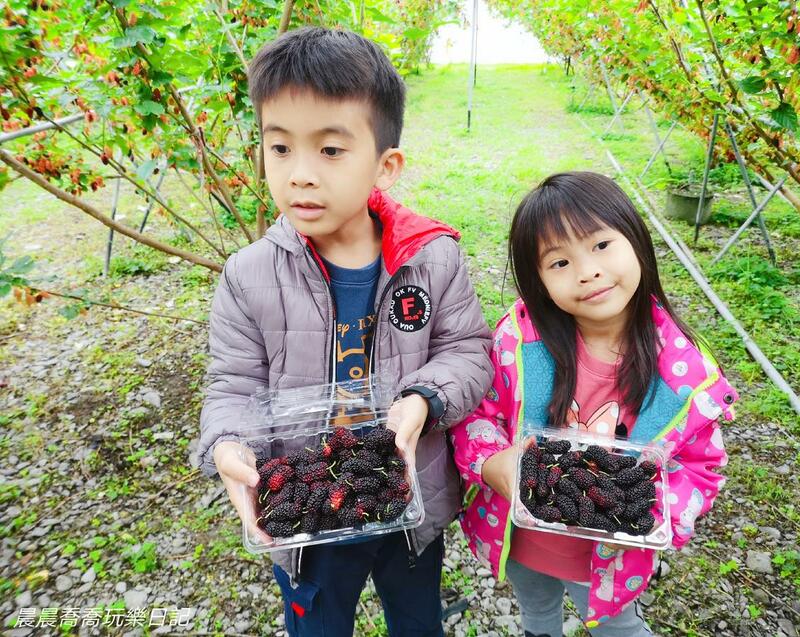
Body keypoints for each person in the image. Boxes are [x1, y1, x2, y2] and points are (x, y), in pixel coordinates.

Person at [196, 26, 493, 637]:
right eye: (280, 148)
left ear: (386, 166)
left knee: (416, 617)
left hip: (406, 496)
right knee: (318, 622)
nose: (300, 174)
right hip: (309, 509)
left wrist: (423, 399)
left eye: (330, 150)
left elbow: (467, 351)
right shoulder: (248, 277)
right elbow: (233, 385)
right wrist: (228, 445)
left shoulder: (431, 259)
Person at [451, 172, 738, 636]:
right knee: (537, 615)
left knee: (619, 630)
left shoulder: (684, 377)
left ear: (636, 239)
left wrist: (646, 511)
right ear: (538, 280)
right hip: (523, 539)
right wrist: (490, 464)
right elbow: (478, 415)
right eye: (559, 262)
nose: (587, 271)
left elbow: (701, 468)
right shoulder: (517, 345)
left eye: (601, 245)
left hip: (608, 560)